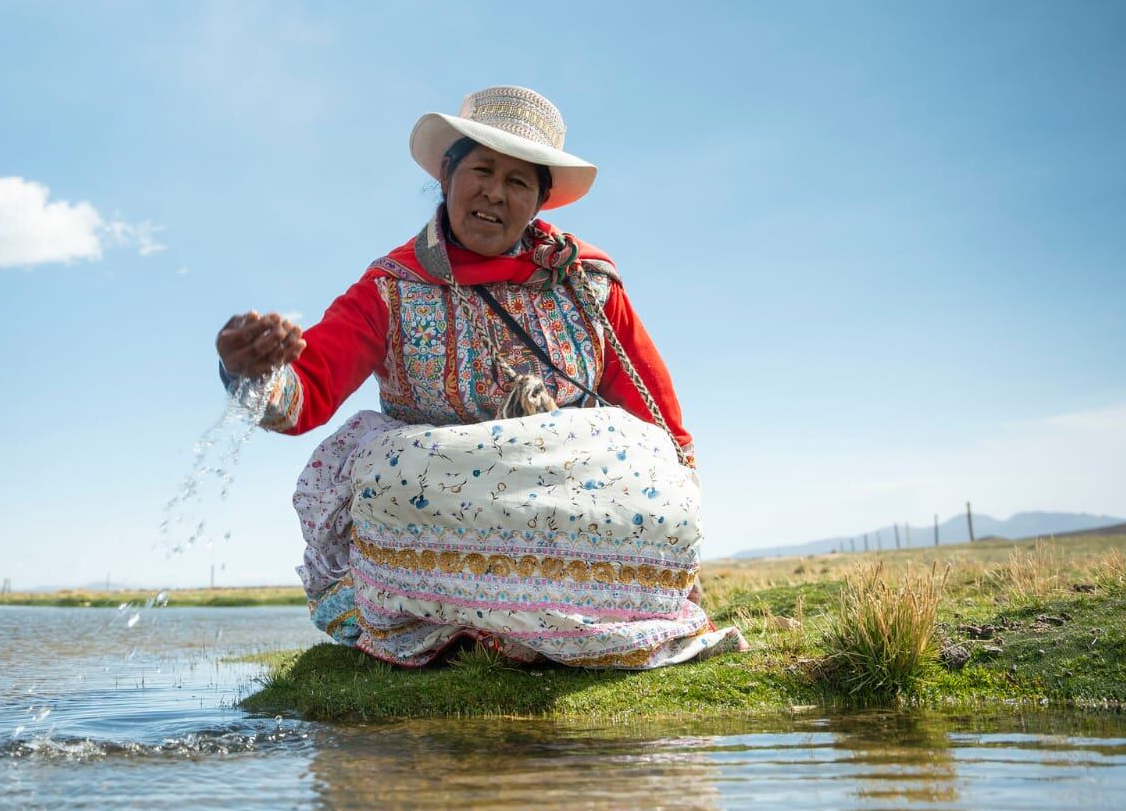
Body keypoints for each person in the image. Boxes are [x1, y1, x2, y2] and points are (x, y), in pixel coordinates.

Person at [215, 86, 743, 668]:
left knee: (641, 457)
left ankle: (557, 616)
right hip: (439, 494)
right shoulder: (391, 287)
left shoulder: (587, 283)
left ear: (541, 200)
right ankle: (467, 618)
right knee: (387, 468)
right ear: (447, 174)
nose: (495, 192)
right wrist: (254, 372)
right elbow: (307, 394)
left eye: (518, 182)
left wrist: (679, 499)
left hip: (570, 493)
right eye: (482, 169)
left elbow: (653, 405)